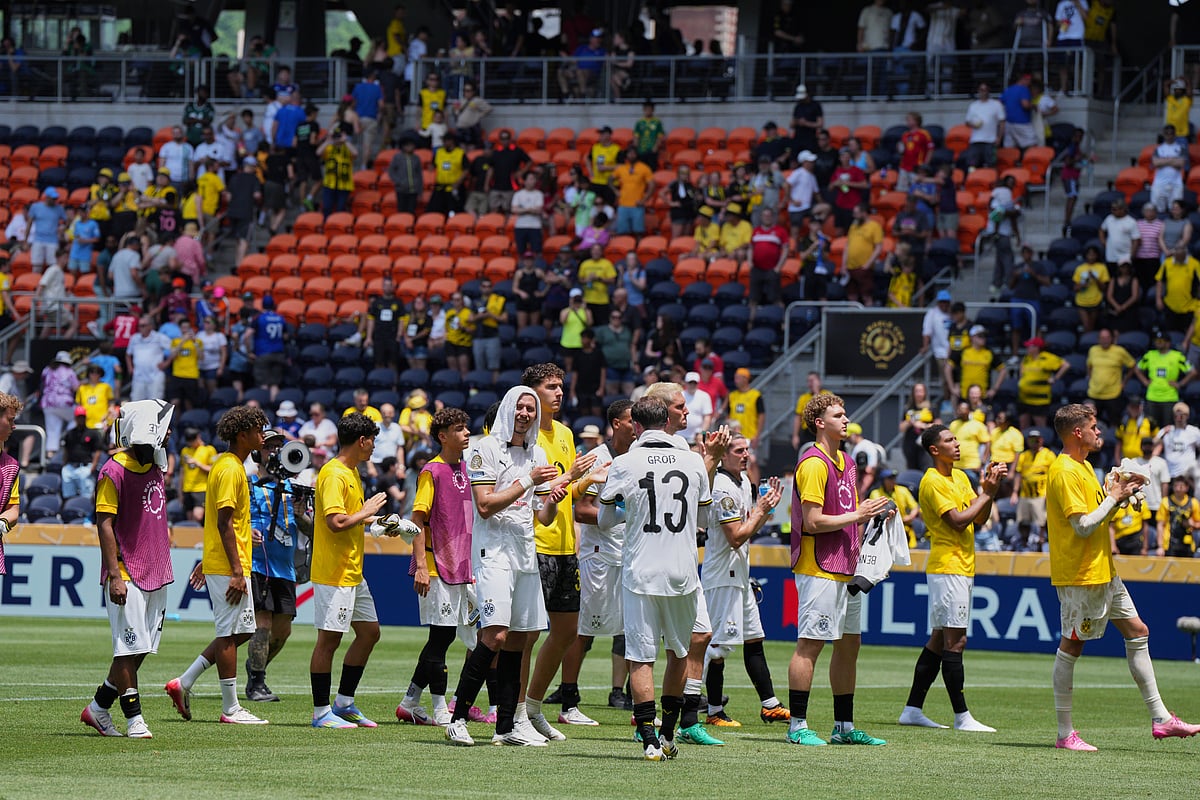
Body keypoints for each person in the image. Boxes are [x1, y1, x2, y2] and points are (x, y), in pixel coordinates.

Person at [1045, 403, 1200, 750]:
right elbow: (1082, 526)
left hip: (1103, 569)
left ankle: (1161, 718)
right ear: (1077, 433)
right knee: (1072, 644)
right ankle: (1063, 733)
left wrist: (1120, 497)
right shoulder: (1065, 471)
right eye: (1094, 427)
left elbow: (1098, 519)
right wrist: (1113, 497)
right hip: (1080, 574)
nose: (1101, 432)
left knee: (1138, 631)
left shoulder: (1085, 467)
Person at [597, 396, 714, 760]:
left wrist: (627, 508)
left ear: (634, 425)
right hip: (682, 572)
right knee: (679, 652)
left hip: (640, 572)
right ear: (666, 422)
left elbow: (604, 521)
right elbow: (705, 520)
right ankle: (667, 731)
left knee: (640, 657)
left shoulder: (624, 462)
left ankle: (647, 738)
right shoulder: (694, 461)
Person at [455, 385, 569, 746]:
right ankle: (458, 718)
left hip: (524, 553)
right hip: (493, 553)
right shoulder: (483, 450)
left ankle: (505, 726)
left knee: (520, 640)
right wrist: (529, 482)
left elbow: (543, 517)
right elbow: (485, 505)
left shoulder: (535, 454)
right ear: (507, 410)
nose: (525, 414)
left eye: (530, 409)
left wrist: (551, 499)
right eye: (519, 407)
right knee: (496, 636)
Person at [786, 393, 890, 747]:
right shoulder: (813, 463)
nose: (846, 420)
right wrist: (859, 514)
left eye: (845, 414)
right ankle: (797, 725)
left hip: (847, 564)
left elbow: (849, 511)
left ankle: (844, 726)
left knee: (849, 645)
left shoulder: (847, 460)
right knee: (809, 646)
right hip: (818, 566)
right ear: (819, 423)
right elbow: (813, 522)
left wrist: (872, 514)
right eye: (838, 415)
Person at [165, 405, 270, 725]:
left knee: (242, 631)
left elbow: (226, 522)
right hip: (229, 568)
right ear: (242, 435)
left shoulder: (231, 466)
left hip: (226, 561)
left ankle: (182, 683)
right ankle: (231, 708)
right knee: (229, 634)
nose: (262, 436)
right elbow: (223, 523)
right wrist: (236, 571)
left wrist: (243, 532)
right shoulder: (228, 469)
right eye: (257, 430)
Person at [900, 424, 1005, 731]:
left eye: (956, 439)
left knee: (938, 639)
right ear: (935, 450)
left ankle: (912, 709)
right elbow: (959, 522)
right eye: (949, 440)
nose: (957, 444)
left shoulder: (960, 477)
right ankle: (962, 717)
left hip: (960, 566)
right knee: (956, 641)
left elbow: (980, 518)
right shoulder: (931, 482)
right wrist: (985, 492)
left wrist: (991, 491)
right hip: (948, 567)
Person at [81, 400, 175, 739]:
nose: (168, 438)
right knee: (128, 647)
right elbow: (104, 523)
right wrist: (115, 574)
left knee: (141, 647)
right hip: (127, 570)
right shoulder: (113, 470)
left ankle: (97, 708)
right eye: (163, 433)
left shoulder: (156, 464)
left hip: (156, 568)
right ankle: (134, 718)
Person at [522, 364, 598, 736]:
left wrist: (588, 481)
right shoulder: (522, 438)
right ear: (531, 393)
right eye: (551, 386)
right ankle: (516, 711)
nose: (559, 393)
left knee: (567, 630)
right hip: (534, 544)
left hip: (567, 547)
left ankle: (534, 707)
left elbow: (564, 492)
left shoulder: (566, 434)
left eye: (561, 387)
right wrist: (573, 478)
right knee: (527, 634)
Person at [305, 413, 389, 729]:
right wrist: (366, 512)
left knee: (370, 633)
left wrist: (379, 523)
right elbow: (335, 522)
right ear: (362, 440)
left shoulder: (352, 473)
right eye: (372, 441)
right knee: (329, 641)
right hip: (333, 571)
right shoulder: (334, 474)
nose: (373, 447)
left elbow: (352, 517)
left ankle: (343, 703)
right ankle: (320, 712)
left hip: (353, 570)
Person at [702, 435, 787, 728]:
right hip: (722, 575)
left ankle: (770, 705)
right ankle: (703, 708)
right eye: (739, 450)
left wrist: (766, 508)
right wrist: (761, 511)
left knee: (754, 638)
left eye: (747, 450)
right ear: (723, 455)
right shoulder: (723, 487)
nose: (746, 455)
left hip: (739, 574)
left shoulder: (742, 483)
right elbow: (736, 537)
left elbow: (749, 525)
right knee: (717, 648)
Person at [399, 408, 475, 732]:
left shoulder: (467, 470)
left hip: (461, 565)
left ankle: (408, 703)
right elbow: (417, 520)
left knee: (443, 637)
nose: (466, 433)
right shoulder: (432, 471)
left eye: (466, 428)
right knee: (441, 637)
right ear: (443, 436)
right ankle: (440, 707)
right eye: (459, 429)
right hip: (436, 565)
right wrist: (421, 566)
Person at [572, 400, 635, 712]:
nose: (636, 425)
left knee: (629, 628)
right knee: (586, 628)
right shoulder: (598, 458)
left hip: (630, 553)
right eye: (630, 420)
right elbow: (582, 510)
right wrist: (623, 515)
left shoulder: (638, 458)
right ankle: (567, 689)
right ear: (616, 424)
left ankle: (618, 691)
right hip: (599, 554)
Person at [245, 430, 310, 703]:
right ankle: (256, 685)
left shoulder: (293, 488)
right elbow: (234, 521)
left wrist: (299, 514)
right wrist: (248, 532)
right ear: (257, 452)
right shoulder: (248, 483)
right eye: (268, 446)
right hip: (259, 564)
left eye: (277, 447)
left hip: (285, 568)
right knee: (263, 625)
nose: (273, 451)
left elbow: (310, 528)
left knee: (282, 632)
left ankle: (255, 669)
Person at [1135, 330, 1194, 428]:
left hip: (1169, 397)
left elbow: (1192, 372)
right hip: (1152, 397)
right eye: (1157, 341)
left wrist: (1180, 384)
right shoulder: (1150, 355)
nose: (1158, 343)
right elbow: (1137, 369)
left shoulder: (1177, 356)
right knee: (1151, 426)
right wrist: (1145, 381)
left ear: (1168, 343)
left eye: (1161, 341)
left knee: (1168, 427)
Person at [1156, 476, 1200, 558]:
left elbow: (1198, 523)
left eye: (1181, 486)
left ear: (1186, 488)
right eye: (1175, 486)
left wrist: (1192, 524)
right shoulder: (1165, 502)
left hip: (1188, 544)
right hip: (1169, 543)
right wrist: (1160, 546)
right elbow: (1160, 525)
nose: (1178, 489)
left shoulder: (1193, 503)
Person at [964, 83, 1005, 168]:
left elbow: (1002, 122)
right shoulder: (973, 105)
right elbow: (967, 122)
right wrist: (974, 125)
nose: (983, 92)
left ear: (988, 91)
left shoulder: (996, 104)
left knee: (991, 164)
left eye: (985, 90)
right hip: (975, 141)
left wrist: (999, 137)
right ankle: (972, 179)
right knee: (972, 165)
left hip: (990, 141)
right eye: (981, 90)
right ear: (978, 91)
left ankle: (991, 179)